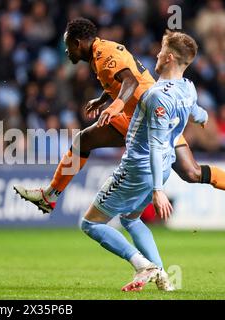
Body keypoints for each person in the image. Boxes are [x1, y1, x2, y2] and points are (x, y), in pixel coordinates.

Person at [14, 18, 225, 213]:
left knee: (192, 173)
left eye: (68, 46)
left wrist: (116, 104)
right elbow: (119, 81)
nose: (67, 51)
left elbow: (129, 80)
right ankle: (51, 196)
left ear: (78, 43)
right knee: (190, 172)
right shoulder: (100, 53)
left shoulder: (104, 55)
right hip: (142, 116)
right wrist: (104, 99)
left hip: (155, 116)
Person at [81, 30, 207, 292]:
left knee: (90, 223)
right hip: (162, 168)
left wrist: (158, 192)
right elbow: (196, 113)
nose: (157, 55)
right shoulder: (188, 88)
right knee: (130, 219)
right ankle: (162, 277)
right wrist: (204, 116)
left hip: (138, 168)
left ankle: (143, 265)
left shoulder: (156, 96)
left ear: (169, 57)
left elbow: (155, 142)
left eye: (161, 51)